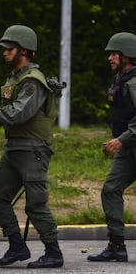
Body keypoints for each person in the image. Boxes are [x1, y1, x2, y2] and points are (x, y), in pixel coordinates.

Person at [0, 24, 64, 268]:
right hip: (15, 148)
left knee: (36, 203)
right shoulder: (15, 78)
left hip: (33, 149)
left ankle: (54, 252)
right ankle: (17, 246)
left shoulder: (33, 81)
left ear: (24, 51)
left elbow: (18, 114)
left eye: (9, 48)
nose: (4, 52)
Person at [87, 32, 136, 263]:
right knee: (111, 189)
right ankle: (117, 246)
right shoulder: (121, 80)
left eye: (114, 53)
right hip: (128, 150)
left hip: (128, 143)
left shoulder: (134, 83)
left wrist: (121, 140)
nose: (109, 57)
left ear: (127, 55)